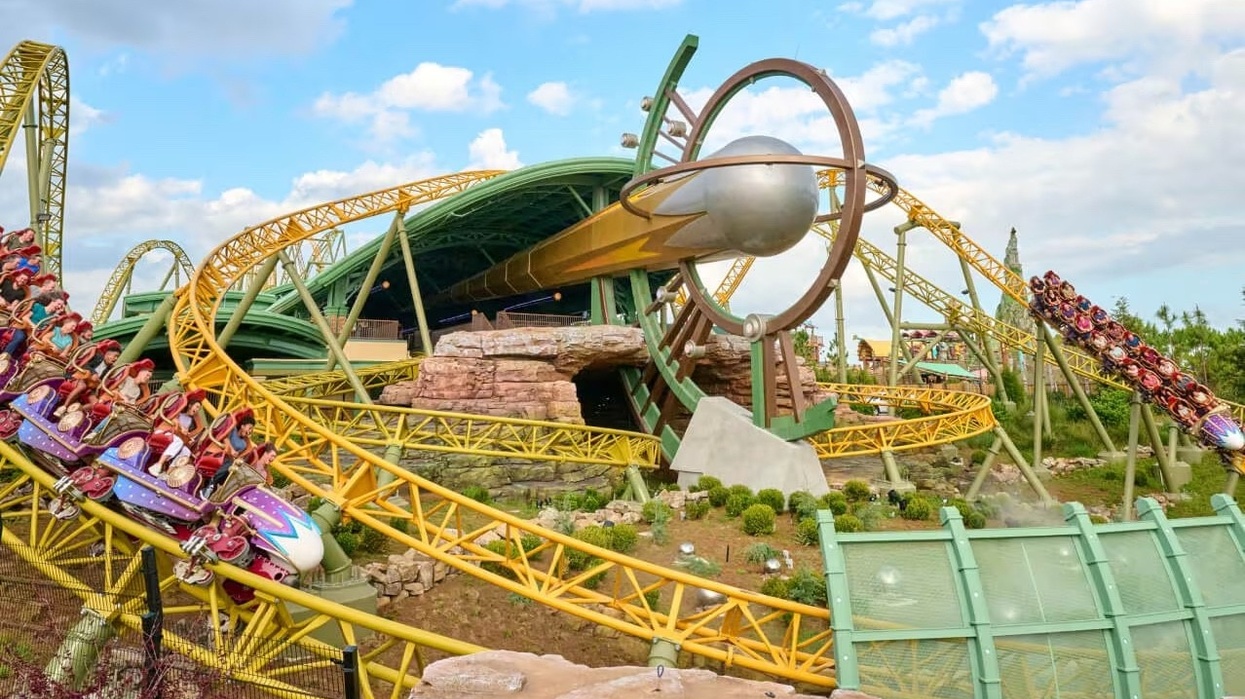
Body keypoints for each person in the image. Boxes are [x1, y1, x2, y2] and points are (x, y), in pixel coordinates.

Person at [149, 389, 207, 477]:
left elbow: (200, 427)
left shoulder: (191, 418)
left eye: (199, 408)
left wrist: (189, 435)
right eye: (196, 406)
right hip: (168, 432)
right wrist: (181, 427)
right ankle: (158, 465)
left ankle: (168, 474)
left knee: (186, 452)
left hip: (178, 437)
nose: (197, 409)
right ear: (190, 405)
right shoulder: (179, 412)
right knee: (178, 442)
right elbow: (174, 419)